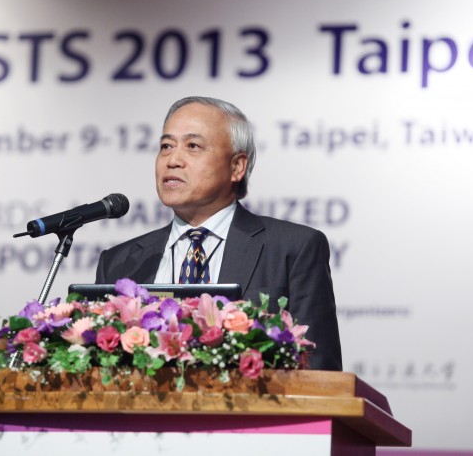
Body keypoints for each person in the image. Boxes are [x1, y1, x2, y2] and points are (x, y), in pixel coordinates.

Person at [95, 96, 342, 371]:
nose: (172, 160)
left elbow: (319, 370)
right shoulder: (120, 263)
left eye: (193, 146)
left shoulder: (293, 248)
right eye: (166, 146)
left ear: (237, 166)